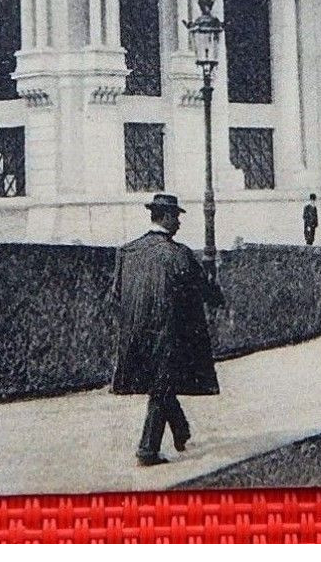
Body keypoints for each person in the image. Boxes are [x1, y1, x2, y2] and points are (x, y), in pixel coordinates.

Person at [110, 193, 225, 467]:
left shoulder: (127, 252)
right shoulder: (178, 254)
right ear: (166, 217)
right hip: (166, 332)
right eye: (177, 217)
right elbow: (200, 287)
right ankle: (147, 450)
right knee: (161, 385)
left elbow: (116, 294)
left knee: (159, 382)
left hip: (134, 333)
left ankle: (181, 430)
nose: (179, 223)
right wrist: (217, 298)